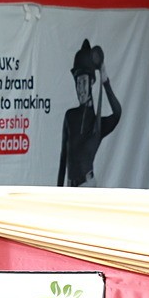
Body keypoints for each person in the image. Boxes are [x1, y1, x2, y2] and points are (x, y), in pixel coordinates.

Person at [58, 39, 122, 187]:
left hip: (87, 186)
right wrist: (58, 191)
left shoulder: (98, 124)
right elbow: (63, 158)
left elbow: (117, 113)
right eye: (77, 83)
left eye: (84, 82)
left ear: (92, 82)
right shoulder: (70, 116)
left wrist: (105, 80)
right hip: (69, 188)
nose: (80, 88)